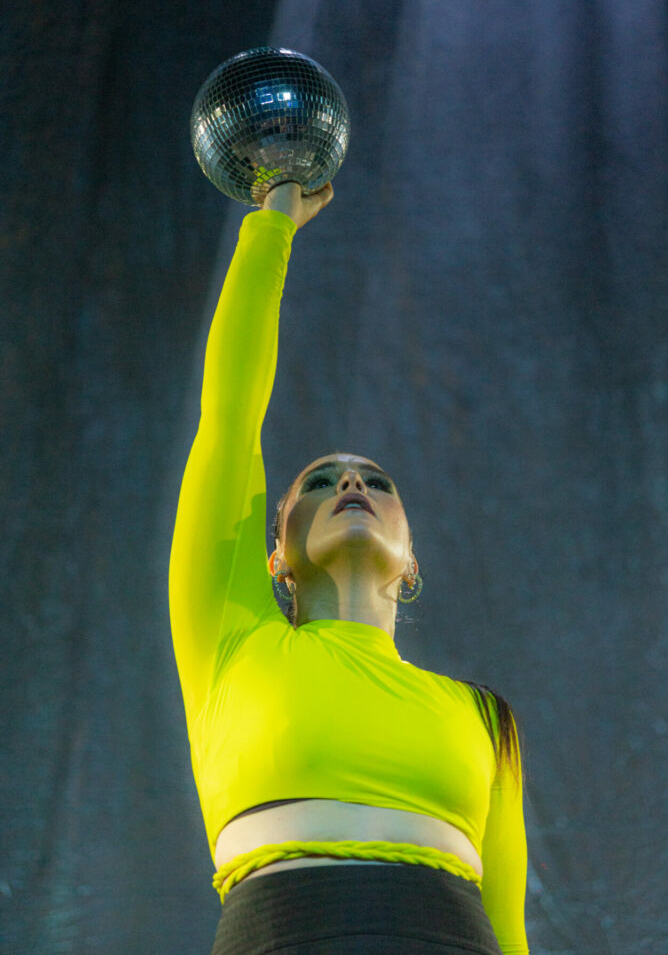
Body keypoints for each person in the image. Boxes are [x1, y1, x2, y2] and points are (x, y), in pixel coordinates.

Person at [169, 181, 529, 954]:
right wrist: (272, 228)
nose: (353, 486)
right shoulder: (230, 642)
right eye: (323, 483)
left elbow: (511, 926)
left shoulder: (484, 718)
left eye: (375, 481)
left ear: (412, 559)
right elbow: (230, 416)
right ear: (275, 556)